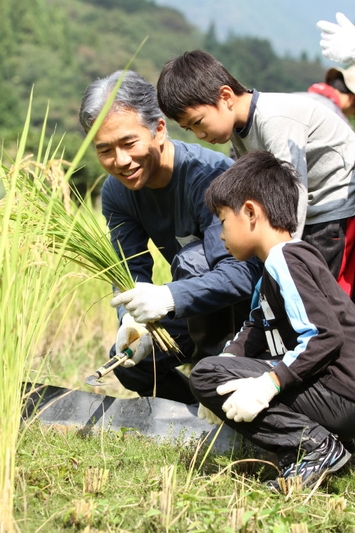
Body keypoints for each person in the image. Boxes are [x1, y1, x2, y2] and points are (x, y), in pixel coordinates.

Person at [78, 70, 261, 405]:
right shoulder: (117, 193)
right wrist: (130, 321)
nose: (120, 161)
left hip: (245, 318)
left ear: (159, 129)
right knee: (131, 365)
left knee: (194, 261)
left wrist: (168, 297)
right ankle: (194, 407)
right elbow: (128, 270)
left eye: (129, 143)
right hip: (190, 310)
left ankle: (219, 395)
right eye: (105, 150)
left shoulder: (212, 179)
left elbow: (241, 276)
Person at [189, 150, 355, 492]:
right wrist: (229, 362)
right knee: (217, 369)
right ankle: (326, 447)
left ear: (250, 212)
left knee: (205, 374)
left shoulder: (285, 258)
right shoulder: (274, 270)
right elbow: (254, 328)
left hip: (343, 392)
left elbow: (323, 336)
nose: (220, 235)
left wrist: (269, 384)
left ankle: (315, 448)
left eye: (222, 221)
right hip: (342, 395)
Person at [157, 49, 355, 302]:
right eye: (189, 128)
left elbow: (291, 192)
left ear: (225, 96)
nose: (199, 135)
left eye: (198, 122)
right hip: (311, 212)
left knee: (325, 298)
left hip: (334, 209)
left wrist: (281, 260)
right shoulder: (240, 131)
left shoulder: (273, 120)